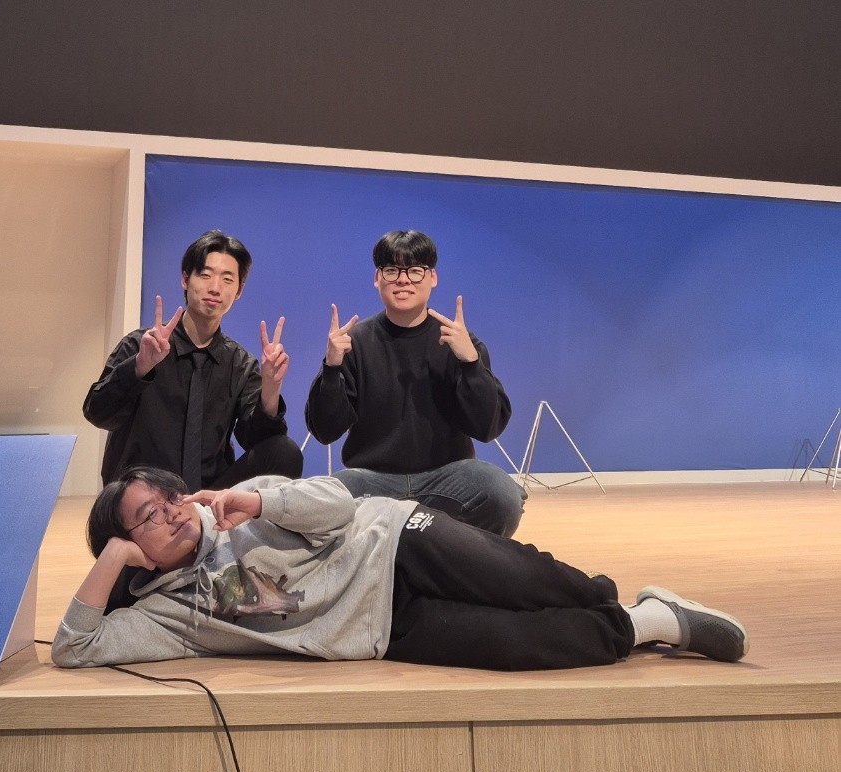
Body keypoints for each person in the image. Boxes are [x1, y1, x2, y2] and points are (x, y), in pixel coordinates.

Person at [51, 468, 750, 671]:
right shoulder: (170, 614)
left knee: (530, 582)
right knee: (522, 646)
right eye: (147, 516)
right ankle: (651, 620)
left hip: (394, 540)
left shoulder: (238, 502)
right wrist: (112, 559)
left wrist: (262, 500)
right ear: (128, 547)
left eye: (168, 496)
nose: (172, 512)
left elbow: (337, 506)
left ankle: (610, 600)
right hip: (383, 626)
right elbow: (75, 647)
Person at [304, 229, 526, 538]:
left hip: (446, 479)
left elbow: (488, 428)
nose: (403, 280)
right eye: (392, 270)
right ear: (377, 278)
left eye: (415, 270)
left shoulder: (458, 342)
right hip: (372, 480)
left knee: (501, 493)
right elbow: (325, 431)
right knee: (320, 502)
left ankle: (453, 556)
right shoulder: (353, 342)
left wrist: (470, 363)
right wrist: (331, 369)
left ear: (432, 277)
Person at [84, 230, 303, 490]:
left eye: (227, 279)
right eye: (205, 275)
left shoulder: (240, 364)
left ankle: (209, 513)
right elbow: (98, 414)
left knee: (285, 452)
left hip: (207, 497)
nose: (215, 288)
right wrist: (139, 367)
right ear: (185, 279)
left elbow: (256, 440)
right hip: (143, 491)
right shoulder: (141, 345)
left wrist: (270, 390)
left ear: (239, 291)